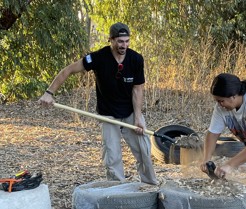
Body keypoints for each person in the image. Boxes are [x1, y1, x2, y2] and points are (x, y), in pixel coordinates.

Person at [38, 22, 158, 185]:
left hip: (130, 112)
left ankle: (151, 186)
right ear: (111, 40)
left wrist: (137, 117)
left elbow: (138, 90)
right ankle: (117, 191)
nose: (124, 45)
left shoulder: (136, 59)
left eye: (127, 41)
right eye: (120, 41)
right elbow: (68, 70)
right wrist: (49, 93)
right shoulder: (98, 57)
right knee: (112, 156)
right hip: (108, 113)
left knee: (144, 150)